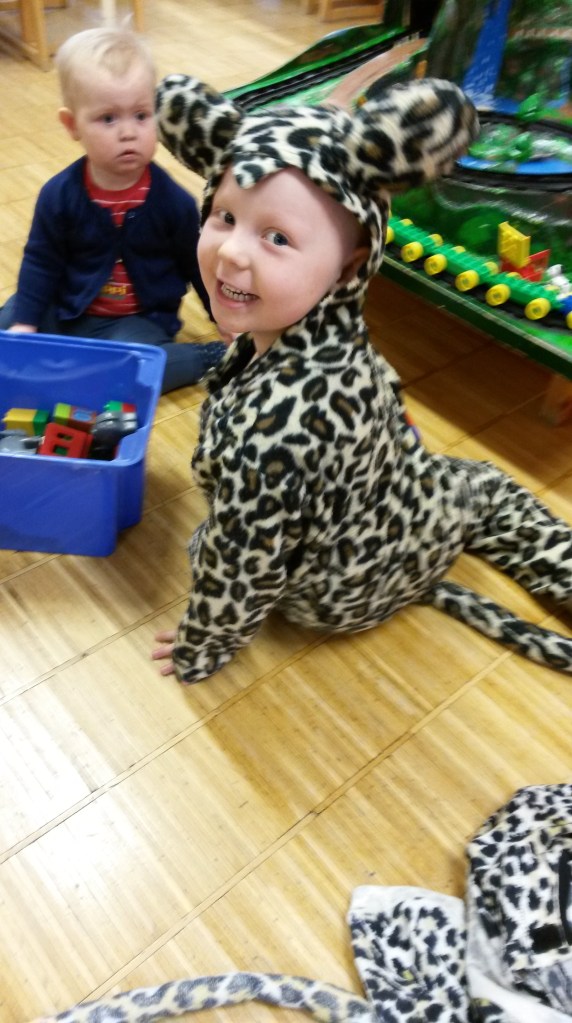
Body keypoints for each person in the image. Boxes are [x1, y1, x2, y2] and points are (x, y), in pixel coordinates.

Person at [151, 73, 572, 684]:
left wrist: (202, 645)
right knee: (482, 485)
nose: (232, 252)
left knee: (474, 486)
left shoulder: (272, 433)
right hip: (369, 541)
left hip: (340, 587)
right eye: (224, 216)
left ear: (349, 265)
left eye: (276, 237)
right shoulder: (331, 335)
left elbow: (239, 567)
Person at [0, 27, 226, 393]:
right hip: (69, 309)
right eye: (108, 118)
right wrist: (25, 323)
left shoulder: (173, 202)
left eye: (141, 115)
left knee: (128, 371)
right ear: (72, 125)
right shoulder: (58, 195)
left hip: (137, 322)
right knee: (9, 321)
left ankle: (206, 358)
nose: (128, 132)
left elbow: (196, 264)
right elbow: (41, 262)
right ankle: (69, 365)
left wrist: (221, 318)